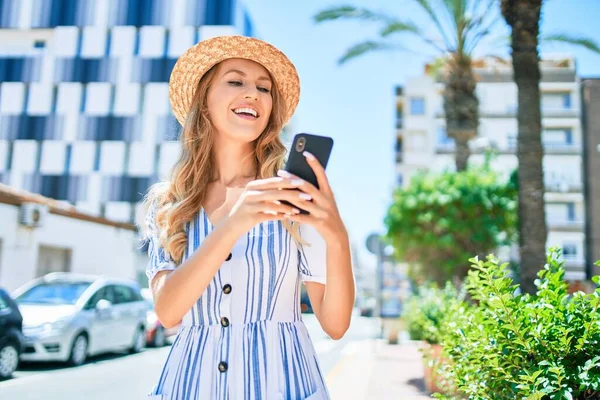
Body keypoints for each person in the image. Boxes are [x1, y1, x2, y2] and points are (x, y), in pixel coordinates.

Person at [139, 35, 355, 400]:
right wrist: (234, 223)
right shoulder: (171, 202)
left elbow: (334, 325)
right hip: (190, 386)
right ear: (205, 102)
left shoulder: (293, 194)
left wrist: (337, 237)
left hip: (283, 385)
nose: (253, 94)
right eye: (236, 81)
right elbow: (169, 312)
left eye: (264, 88)